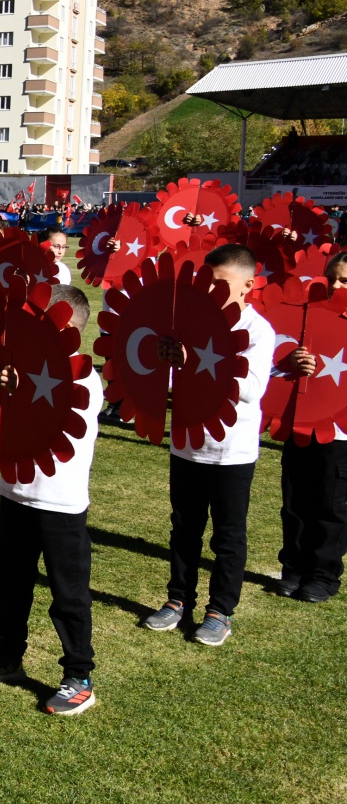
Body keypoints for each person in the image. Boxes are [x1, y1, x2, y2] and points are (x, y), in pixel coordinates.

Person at [0, 285, 101, 715]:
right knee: (11, 584)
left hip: (60, 504)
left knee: (69, 595)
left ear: (71, 330)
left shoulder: (85, 378)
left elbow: (56, 413)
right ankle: (8, 657)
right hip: (16, 493)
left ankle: (79, 675)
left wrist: (18, 385)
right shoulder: (11, 367)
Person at [144, 244, 276, 646]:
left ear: (248, 286)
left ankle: (220, 611)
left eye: (219, 283)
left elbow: (251, 389)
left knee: (228, 536)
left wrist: (198, 359)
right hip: (188, 442)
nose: (209, 290)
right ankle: (177, 600)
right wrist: (165, 359)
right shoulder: (190, 322)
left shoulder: (257, 330)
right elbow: (169, 381)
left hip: (232, 451)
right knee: (184, 529)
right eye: (206, 282)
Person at [273, 251, 347, 604]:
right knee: (295, 499)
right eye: (331, 277)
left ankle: (323, 575)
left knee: (331, 504)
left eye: (344, 280)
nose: (335, 285)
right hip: (300, 422)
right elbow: (275, 359)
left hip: (340, 431)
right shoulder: (306, 315)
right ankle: (294, 566)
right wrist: (292, 361)